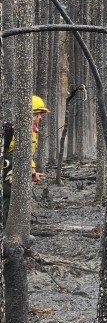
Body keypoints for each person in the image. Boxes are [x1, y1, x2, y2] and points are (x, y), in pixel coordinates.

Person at [2, 95, 48, 228]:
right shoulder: (18, 129)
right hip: (9, 166)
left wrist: (32, 171)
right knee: (9, 196)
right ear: (29, 113)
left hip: (17, 166)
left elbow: (27, 154)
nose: (40, 118)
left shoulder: (31, 130)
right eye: (37, 114)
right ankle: (8, 229)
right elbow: (16, 152)